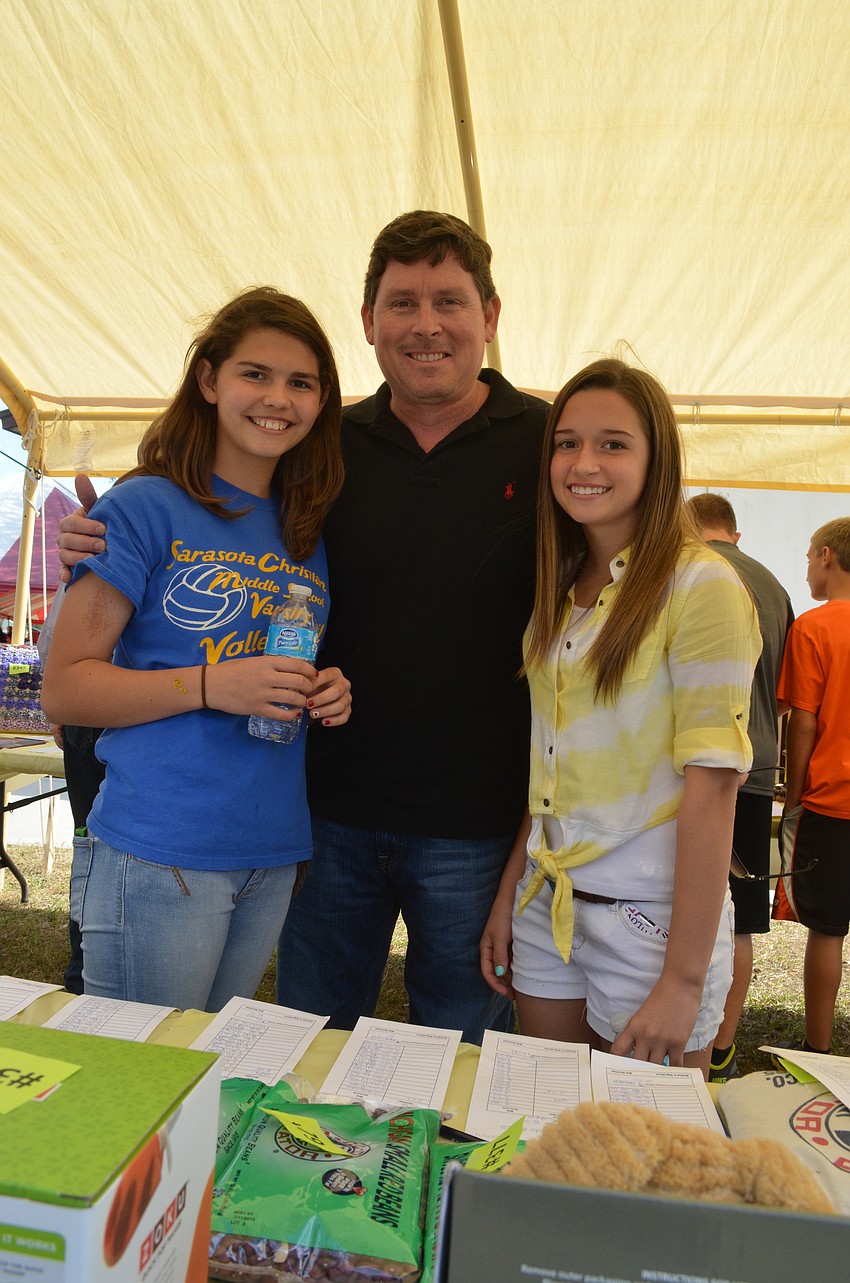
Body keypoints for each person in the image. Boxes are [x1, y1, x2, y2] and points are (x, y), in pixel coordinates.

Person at [58, 211, 547, 1043]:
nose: (425, 324)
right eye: (401, 303)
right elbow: (88, 662)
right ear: (368, 323)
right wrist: (106, 544)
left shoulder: (545, 445)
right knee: (291, 1053)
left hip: (465, 818)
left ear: (490, 316)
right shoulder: (326, 454)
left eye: (449, 301)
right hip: (322, 817)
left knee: (461, 1053)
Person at [42, 287, 351, 1012]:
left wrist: (324, 689)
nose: (277, 398)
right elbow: (67, 688)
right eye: (256, 374)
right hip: (159, 847)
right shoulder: (143, 505)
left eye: (300, 382)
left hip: (270, 852)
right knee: (139, 1087)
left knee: (203, 1076)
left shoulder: (304, 530)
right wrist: (214, 685)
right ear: (209, 381)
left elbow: (277, 664)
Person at [480, 359, 762, 1076]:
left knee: (648, 1158)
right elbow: (550, 765)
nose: (583, 463)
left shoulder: (702, 587)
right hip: (550, 905)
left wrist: (683, 979)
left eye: (612, 443)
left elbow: (714, 786)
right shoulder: (562, 584)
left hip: (651, 921)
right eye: (566, 442)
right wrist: (511, 891)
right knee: (552, 1130)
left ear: (655, 457)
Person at [686, 493, 794, 1082]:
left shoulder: (686, 570)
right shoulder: (776, 587)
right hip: (754, 771)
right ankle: (722, 1046)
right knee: (740, 920)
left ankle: (695, 1043)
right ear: (735, 531)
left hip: (696, 770)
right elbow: (784, 694)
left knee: (683, 909)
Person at [771, 517, 850, 1056]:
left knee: (828, 931)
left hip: (831, 804)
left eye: (805, 557)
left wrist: (793, 797)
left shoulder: (815, 627)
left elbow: (803, 721)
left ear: (827, 556)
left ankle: (817, 1053)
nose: (805, 569)